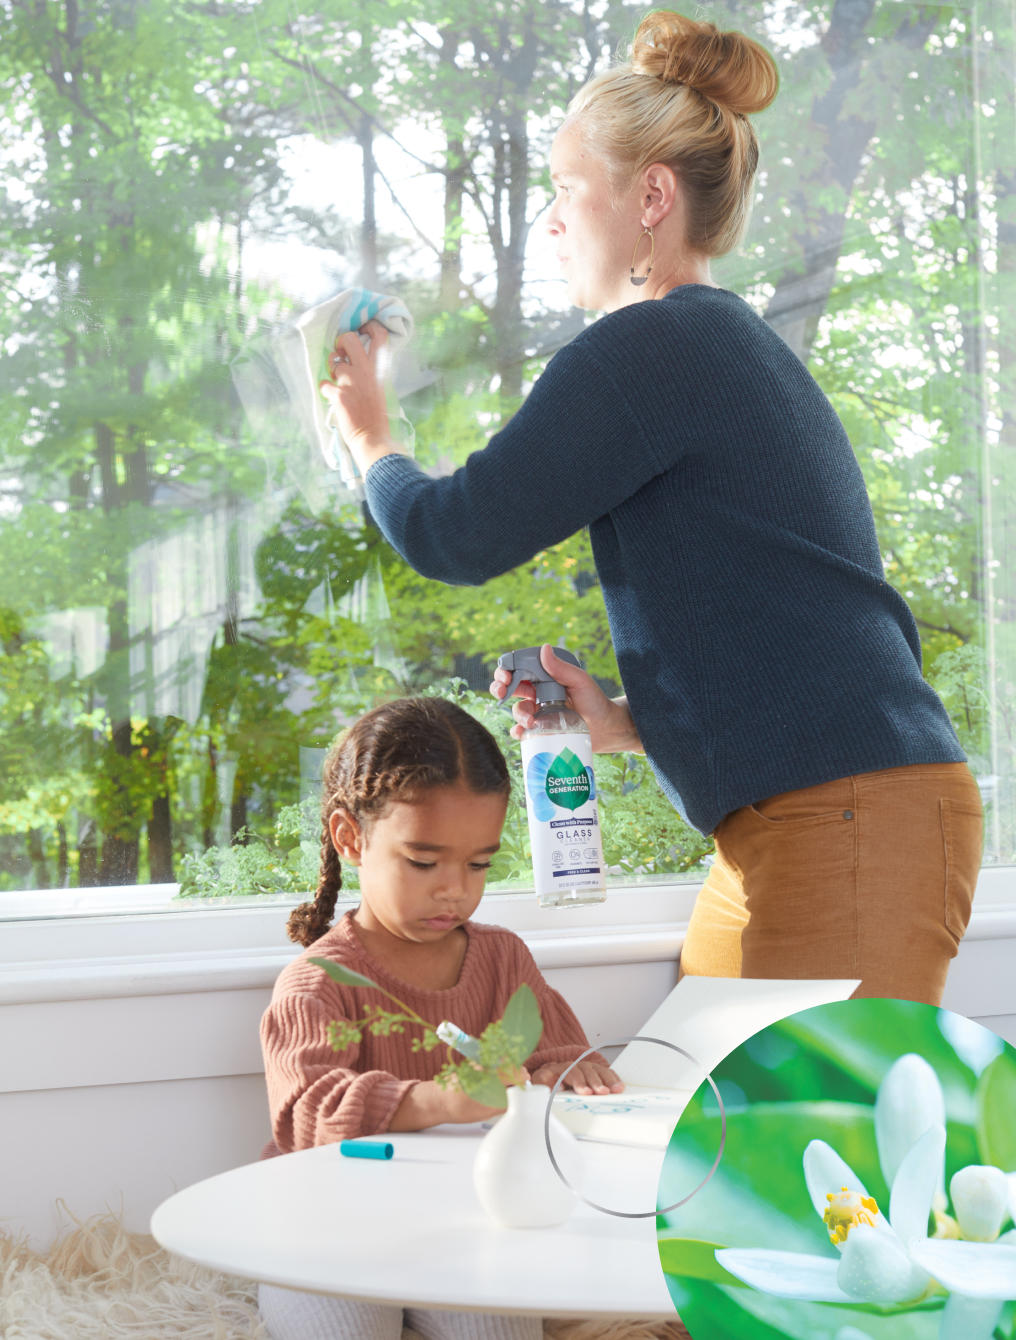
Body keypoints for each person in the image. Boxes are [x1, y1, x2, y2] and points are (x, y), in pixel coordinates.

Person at [316, 10, 983, 1007]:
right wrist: (627, 720)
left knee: (802, 1153)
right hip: (810, 816)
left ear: (651, 198)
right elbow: (788, 613)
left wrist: (372, 435)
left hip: (845, 817)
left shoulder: (651, 346)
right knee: (713, 1129)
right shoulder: (717, 347)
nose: (548, 219)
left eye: (564, 189)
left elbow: (453, 534)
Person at [258, 696, 621, 1340]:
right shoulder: (317, 981)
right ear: (351, 838)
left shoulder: (503, 958)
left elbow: (555, 1057)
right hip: (327, 1225)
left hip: (458, 1219)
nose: (455, 887)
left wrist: (575, 1073)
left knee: (499, 1331)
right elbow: (306, 1114)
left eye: (479, 863)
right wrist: (438, 1101)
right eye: (423, 862)